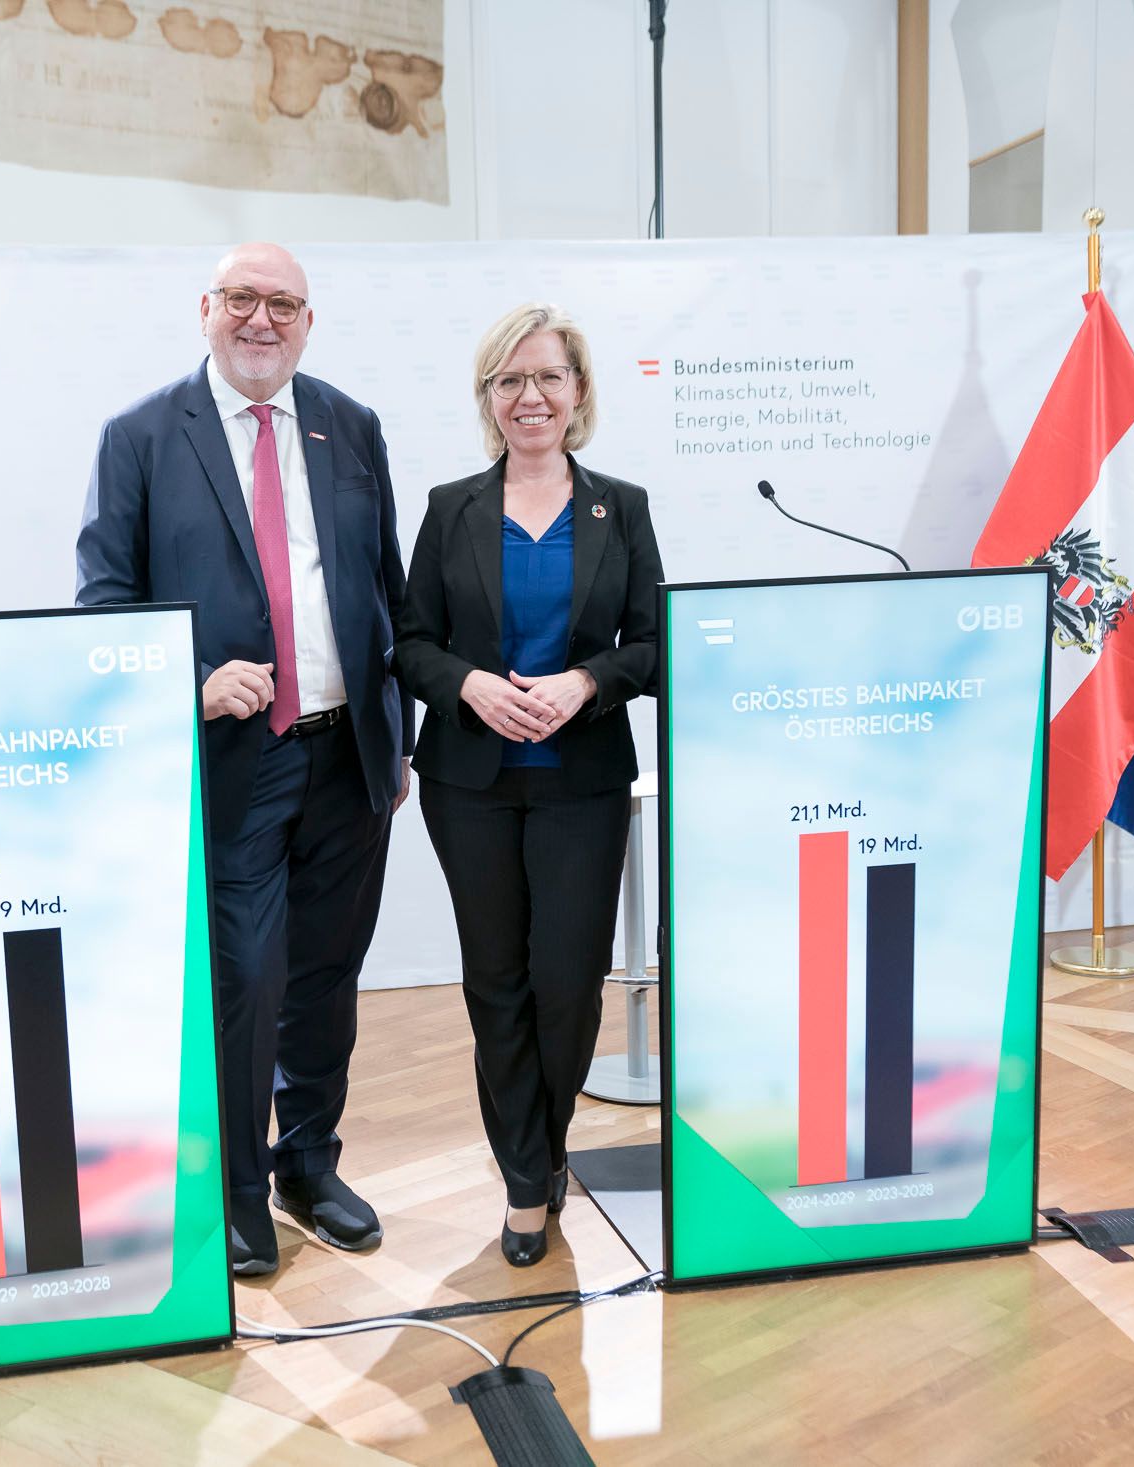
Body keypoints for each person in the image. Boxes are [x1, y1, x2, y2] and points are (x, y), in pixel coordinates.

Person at [75, 242, 413, 1277]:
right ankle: (235, 1192)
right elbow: (102, 607)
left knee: (327, 975)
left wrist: (396, 735)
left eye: (283, 304)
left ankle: (309, 1164)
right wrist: (192, 679)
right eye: (242, 299)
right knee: (246, 980)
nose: (261, 319)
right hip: (235, 763)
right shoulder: (140, 435)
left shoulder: (350, 425)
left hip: (347, 754)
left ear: (308, 322)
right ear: (206, 309)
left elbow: (386, 589)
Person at [394, 303, 663, 1267]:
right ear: (489, 398)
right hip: (470, 783)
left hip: (582, 783)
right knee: (496, 981)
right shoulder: (451, 507)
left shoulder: (620, 506)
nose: (530, 396)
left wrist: (585, 681)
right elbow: (410, 642)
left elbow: (653, 643)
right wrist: (467, 684)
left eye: (548, 377)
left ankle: (544, 1149)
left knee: (568, 985)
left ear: (578, 391)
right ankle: (525, 1179)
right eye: (509, 380)